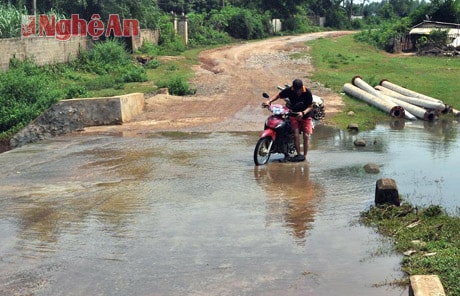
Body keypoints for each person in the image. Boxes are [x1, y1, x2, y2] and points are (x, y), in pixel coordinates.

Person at [263, 79, 314, 162]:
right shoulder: (290, 90)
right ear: (293, 88)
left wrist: (303, 113)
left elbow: (310, 106)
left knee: (306, 136)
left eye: (299, 90)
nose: (297, 92)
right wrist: (269, 101)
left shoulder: (307, 92)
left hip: (305, 116)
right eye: (296, 90)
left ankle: (304, 156)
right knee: (296, 134)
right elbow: (278, 95)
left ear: (302, 88)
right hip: (293, 114)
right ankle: (298, 154)